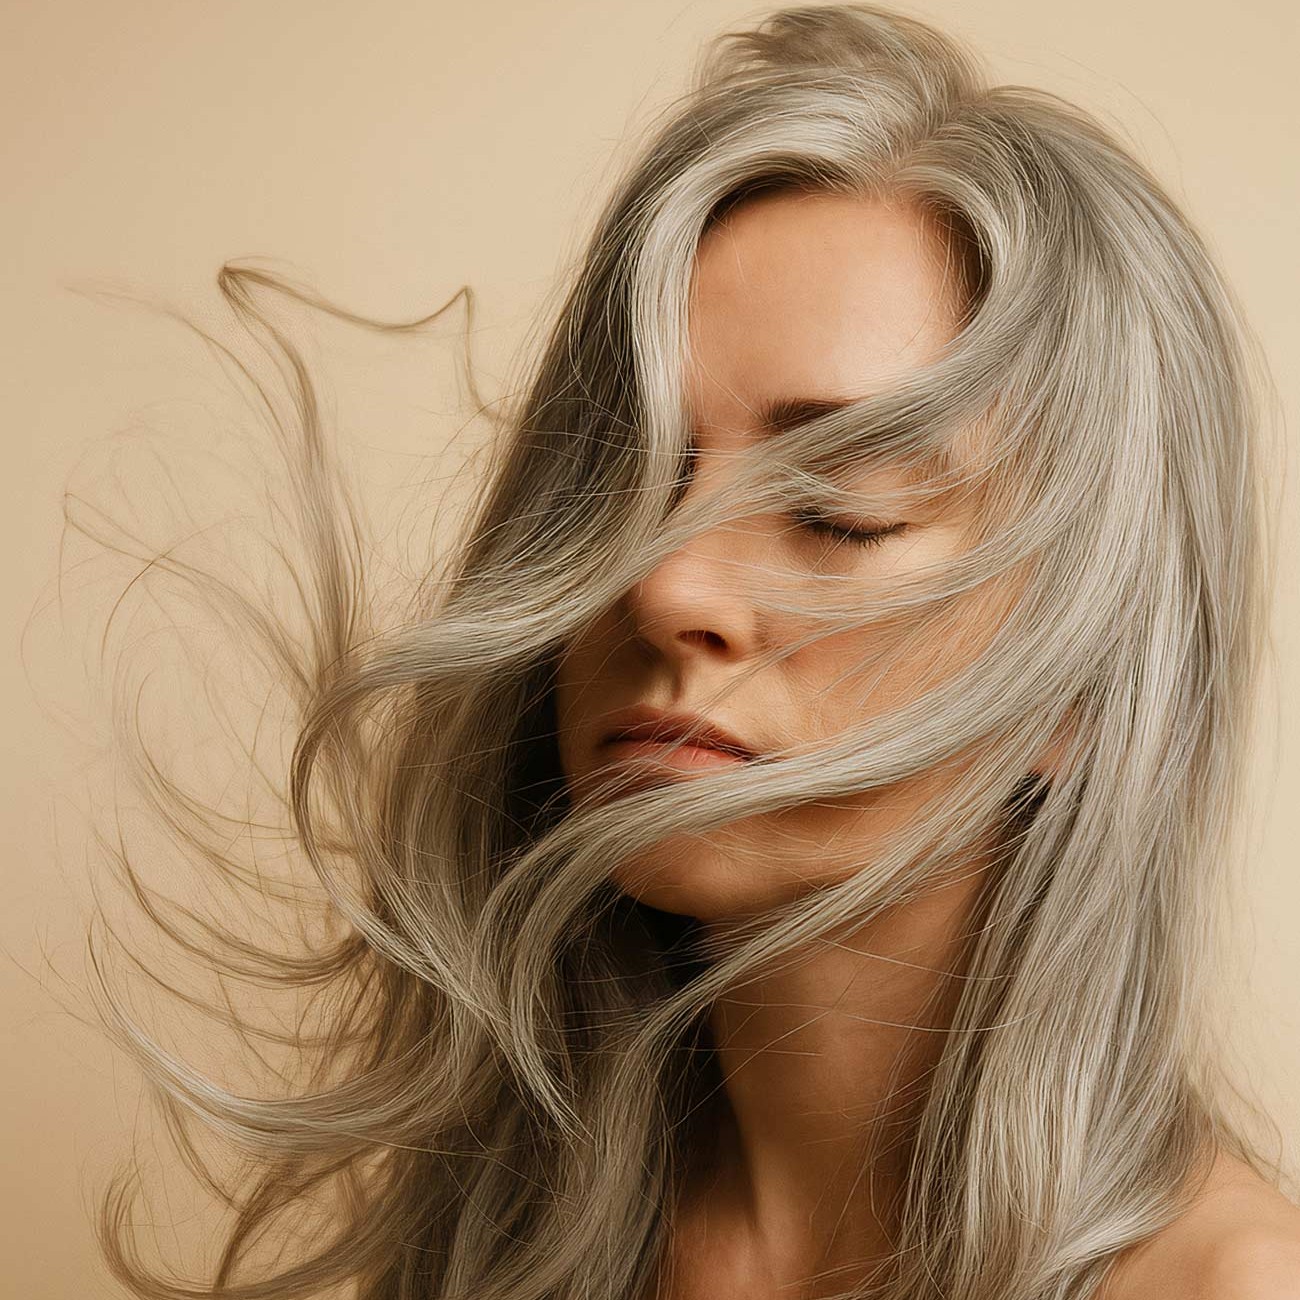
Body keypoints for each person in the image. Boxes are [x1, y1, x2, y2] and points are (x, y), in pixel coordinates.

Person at [87, 5, 1299, 1299]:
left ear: (1091, 686)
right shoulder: (513, 1234)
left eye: (844, 507)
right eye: (622, 475)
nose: (662, 584)